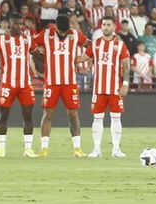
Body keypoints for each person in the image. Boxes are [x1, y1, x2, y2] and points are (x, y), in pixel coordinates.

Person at [38, 14, 85, 157]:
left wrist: (85, 58)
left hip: (69, 82)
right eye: (61, 32)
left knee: (72, 113)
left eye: (65, 31)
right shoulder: (46, 34)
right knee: (48, 113)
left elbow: (90, 44)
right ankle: (44, 148)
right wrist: (41, 56)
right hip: (52, 82)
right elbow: (31, 45)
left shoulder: (75, 34)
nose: (63, 34)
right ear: (55, 27)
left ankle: (77, 148)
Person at [0, 15, 38, 158]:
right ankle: (1, 149)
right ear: (9, 24)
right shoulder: (1, 40)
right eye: (16, 23)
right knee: (4, 116)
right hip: (7, 83)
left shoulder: (27, 39)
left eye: (21, 24)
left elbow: (39, 54)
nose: (19, 26)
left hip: (25, 84)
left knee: (28, 116)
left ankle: (28, 149)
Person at [87, 14, 131, 159]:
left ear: (114, 27)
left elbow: (126, 65)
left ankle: (116, 149)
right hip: (99, 89)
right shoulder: (96, 43)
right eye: (104, 24)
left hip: (115, 88)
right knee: (97, 119)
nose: (106, 27)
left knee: (116, 118)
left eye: (108, 25)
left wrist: (125, 83)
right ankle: (96, 149)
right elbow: (84, 57)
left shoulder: (120, 44)